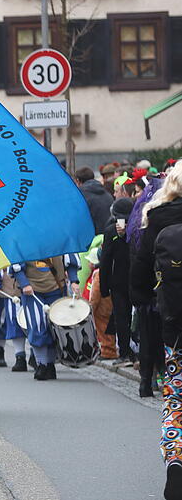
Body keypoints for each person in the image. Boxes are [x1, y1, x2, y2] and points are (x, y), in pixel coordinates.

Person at [127, 163, 182, 499]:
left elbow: (138, 279)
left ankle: (176, 460)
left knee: (175, 400)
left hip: (174, 329)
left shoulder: (156, 219)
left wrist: (153, 303)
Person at [132, 163, 182, 399]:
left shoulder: (157, 216)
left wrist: (142, 295)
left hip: (171, 306)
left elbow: (142, 264)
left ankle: (175, 421)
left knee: (176, 376)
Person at [9, 255, 79, 381]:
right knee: (36, 325)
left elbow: (70, 258)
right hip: (32, 289)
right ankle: (41, 364)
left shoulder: (60, 241)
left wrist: (74, 280)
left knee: (53, 328)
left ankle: (50, 365)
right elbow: (16, 263)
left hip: (56, 287)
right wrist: (24, 283)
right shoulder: (24, 243)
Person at [100, 197, 136, 365]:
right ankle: (132, 351)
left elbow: (105, 261)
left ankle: (125, 352)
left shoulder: (111, 231)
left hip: (119, 281)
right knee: (130, 316)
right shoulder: (138, 229)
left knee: (122, 317)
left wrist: (104, 287)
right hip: (134, 280)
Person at [75, 166, 115, 235]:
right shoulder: (107, 193)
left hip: (92, 237)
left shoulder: (80, 197)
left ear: (78, 181)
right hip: (108, 234)